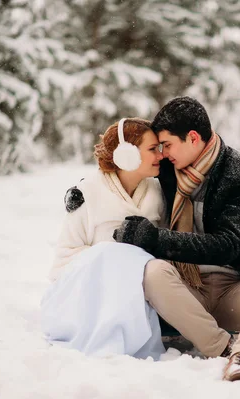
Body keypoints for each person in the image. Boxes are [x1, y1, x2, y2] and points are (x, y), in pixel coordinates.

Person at [66, 97, 240, 381]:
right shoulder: (167, 168)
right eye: (159, 147)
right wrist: (83, 192)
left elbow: (228, 245)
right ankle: (221, 347)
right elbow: (125, 170)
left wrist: (156, 239)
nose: (162, 153)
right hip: (181, 294)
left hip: (232, 291)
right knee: (152, 271)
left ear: (193, 138)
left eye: (167, 145)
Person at [41, 118, 167, 360]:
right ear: (126, 155)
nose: (160, 155)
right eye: (153, 149)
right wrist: (112, 257)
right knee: (112, 252)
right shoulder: (87, 193)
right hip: (88, 298)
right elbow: (64, 258)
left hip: (140, 296)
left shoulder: (157, 193)